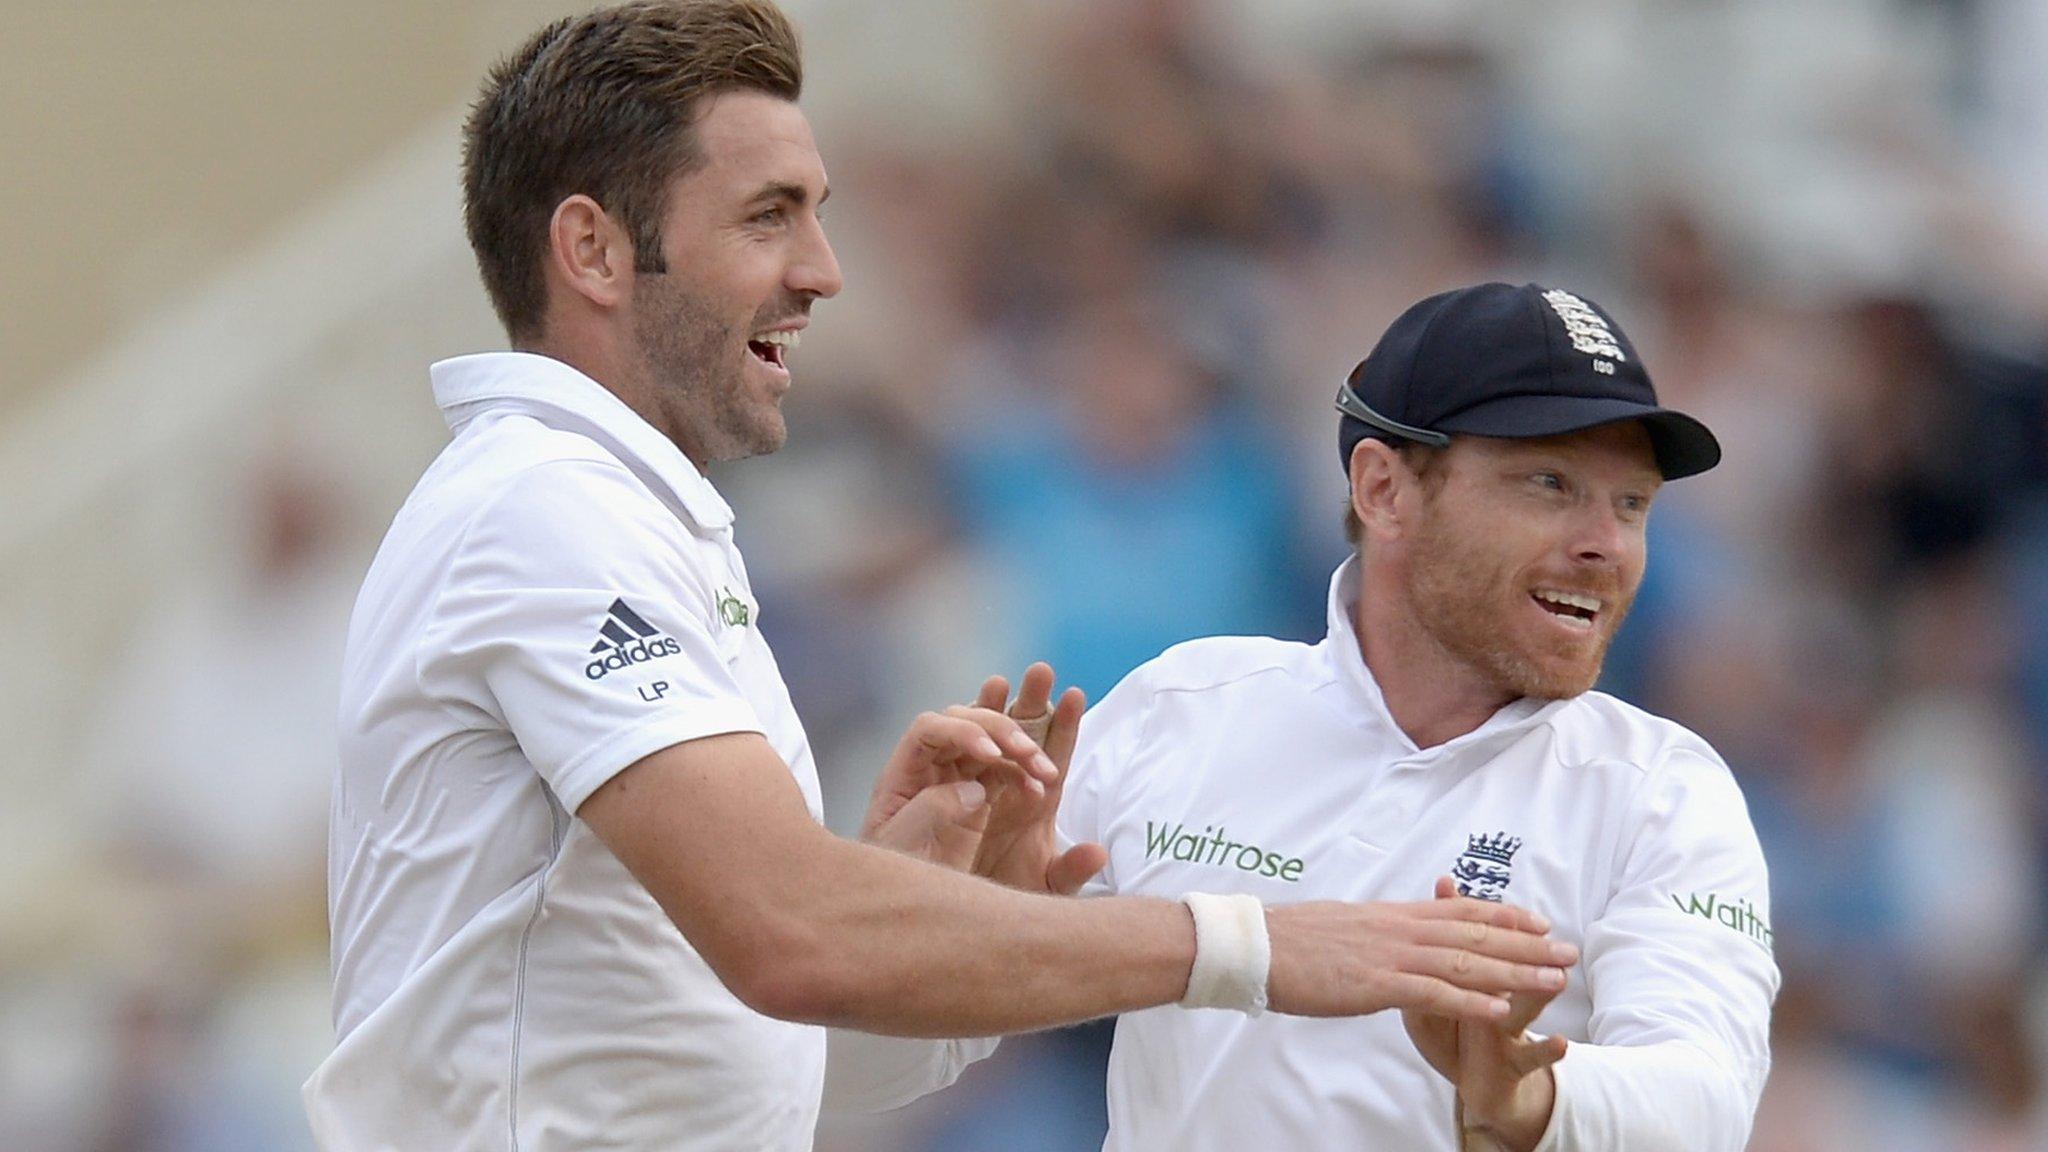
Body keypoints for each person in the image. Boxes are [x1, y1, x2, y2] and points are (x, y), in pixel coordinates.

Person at [300, 6, 1579, 1150]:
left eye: (817, 212)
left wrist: (925, 908)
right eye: (767, 214)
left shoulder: (612, 513)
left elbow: (769, 1054)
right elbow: (789, 936)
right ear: (590, 249)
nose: (823, 270)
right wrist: (1260, 941)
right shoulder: (546, 510)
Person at [935, 282, 1778, 1150]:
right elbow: (898, 1052)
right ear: (1383, 490)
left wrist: (1535, 1100)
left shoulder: (1662, 791)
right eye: (1551, 484)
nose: (1606, 542)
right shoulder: (1181, 707)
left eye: (1632, 503)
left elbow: (1706, 1100)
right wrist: (977, 921)